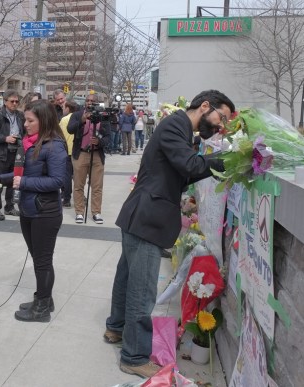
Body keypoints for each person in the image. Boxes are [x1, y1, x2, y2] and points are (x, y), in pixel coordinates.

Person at [105, 90, 234, 379]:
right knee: (142, 288)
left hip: (141, 214)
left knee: (126, 276)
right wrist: (232, 158)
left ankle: (115, 327)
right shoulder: (175, 125)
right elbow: (190, 165)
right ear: (204, 106)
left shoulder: (180, 129)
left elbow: (185, 173)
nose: (220, 125)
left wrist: (210, 165)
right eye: (220, 117)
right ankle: (134, 356)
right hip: (148, 217)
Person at [0, 100, 67, 322]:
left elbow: (57, 181)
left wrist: (23, 183)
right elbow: (21, 175)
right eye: (25, 120)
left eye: (30, 120)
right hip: (30, 210)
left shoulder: (54, 146)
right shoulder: (30, 144)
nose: (25, 124)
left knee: (42, 262)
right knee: (39, 260)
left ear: (43, 121)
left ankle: (42, 308)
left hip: (45, 213)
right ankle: (45, 300)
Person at [67, 93, 108, 225]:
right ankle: (79, 212)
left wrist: (100, 142)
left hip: (96, 154)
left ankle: (96, 212)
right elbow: (70, 129)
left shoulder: (103, 116)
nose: (89, 103)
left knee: (97, 186)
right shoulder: (77, 114)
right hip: (81, 153)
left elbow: (108, 137)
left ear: (97, 103)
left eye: (92, 101)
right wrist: (82, 120)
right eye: (87, 100)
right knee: (79, 184)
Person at [0, 89, 24, 221]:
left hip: (17, 153)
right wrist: (5, 138)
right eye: (12, 101)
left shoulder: (20, 116)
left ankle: (9, 206)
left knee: (13, 181)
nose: (14, 103)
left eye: (16, 101)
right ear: (5, 102)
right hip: (2, 154)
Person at [59, 100, 78, 208]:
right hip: (76, 151)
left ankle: (66, 199)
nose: (62, 110)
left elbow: (59, 134)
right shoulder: (77, 118)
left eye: (63, 107)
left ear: (68, 108)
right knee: (77, 176)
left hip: (66, 150)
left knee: (66, 177)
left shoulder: (64, 120)